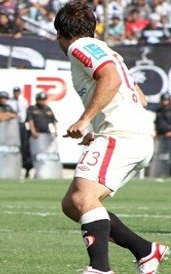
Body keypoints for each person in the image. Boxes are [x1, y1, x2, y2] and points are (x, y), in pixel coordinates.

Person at [54, 2, 169, 274]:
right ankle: (146, 250)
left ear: (60, 33)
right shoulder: (105, 50)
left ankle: (100, 269)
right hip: (131, 135)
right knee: (73, 204)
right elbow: (138, 96)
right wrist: (98, 127)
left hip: (122, 135)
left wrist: (84, 120)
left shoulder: (78, 46)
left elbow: (111, 78)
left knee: (83, 198)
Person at [8, 86, 32, 178]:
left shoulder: (23, 101)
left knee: (24, 145)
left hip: (22, 124)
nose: (16, 93)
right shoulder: (10, 102)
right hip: (13, 124)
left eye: (18, 92)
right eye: (15, 92)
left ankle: (25, 167)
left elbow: (25, 113)